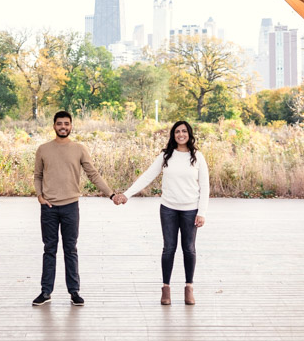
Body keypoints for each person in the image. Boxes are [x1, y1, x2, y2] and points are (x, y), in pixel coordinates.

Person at [113, 120, 208, 306]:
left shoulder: (197, 157)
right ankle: (166, 289)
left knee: (189, 249)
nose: (181, 134)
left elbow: (205, 186)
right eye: (177, 132)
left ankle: (189, 288)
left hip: (190, 210)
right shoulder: (166, 156)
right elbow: (147, 176)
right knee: (169, 248)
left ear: (189, 134)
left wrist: (202, 212)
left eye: (184, 131)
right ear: (173, 135)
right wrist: (126, 194)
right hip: (168, 209)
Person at [32, 110, 117, 307]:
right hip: (49, 208)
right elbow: (37, 175)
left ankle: (74, 292)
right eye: (59, 124)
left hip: (71, 206)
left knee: (70, 250)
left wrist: (111, 194)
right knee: (49, 250)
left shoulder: (79, 149)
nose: (63, 127)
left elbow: (93, 174)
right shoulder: (43, 149)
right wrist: (39, 196)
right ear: (54, 126)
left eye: (66, 124)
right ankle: (46, 291)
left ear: (71, 126)